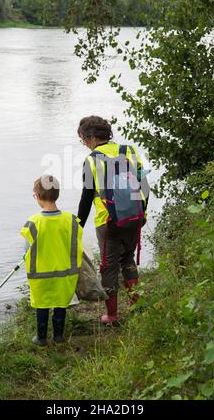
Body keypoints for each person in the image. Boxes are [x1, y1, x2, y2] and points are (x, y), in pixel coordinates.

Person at [77, 116, 149, 324]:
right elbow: (144, 185)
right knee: (127, 258)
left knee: (109, 266)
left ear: (91, 138)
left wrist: (78, 226)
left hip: (107, 222)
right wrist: (141, 212)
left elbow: (87, 198)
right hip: (134, 216)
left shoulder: (92, 160)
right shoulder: (129, 151)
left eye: (83, 139)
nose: (84, 144)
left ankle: (112, 315)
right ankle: (137, 304)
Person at [20, 175, 83, 346]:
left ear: (38, 196)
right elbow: (77, 245)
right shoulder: (71, 220)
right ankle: (59, 336)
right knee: (60, 304)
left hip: (40, 275)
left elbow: (27, 250)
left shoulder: (33, 222)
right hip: (65, 274)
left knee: (42, 305)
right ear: (57, 195)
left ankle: (41, 338)